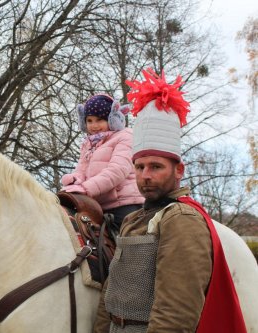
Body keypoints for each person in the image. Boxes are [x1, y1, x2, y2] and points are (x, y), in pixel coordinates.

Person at [93, 69, 246, 333]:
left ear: (179, 170)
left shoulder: (181, 220)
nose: (146, 176)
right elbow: (111, 295)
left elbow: (175, 314)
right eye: (139, 167)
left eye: (156, 167)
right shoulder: (132, 219)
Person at [61, 94, 144, 234]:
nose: (94, 126)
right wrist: (74, 181)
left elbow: (117, 171)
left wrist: (85, 189)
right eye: (89, 120)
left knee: (130, 245)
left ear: (112, 119)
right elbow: (81, 170)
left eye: (99, 120)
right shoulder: (88, 144)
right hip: (96, 205)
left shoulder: (126, 136)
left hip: (125, 203)